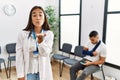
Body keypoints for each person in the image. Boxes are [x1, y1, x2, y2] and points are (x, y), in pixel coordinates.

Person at [16, 6, 54, 80]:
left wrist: (41, 42)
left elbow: (46, 53)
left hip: (43, 71)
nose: (37, 18)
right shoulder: (23, 34)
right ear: (31, 18)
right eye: (34, 15)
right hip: (29, 71)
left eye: (40, 15)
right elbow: (19, 55)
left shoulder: (49, 34)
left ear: (44, 18)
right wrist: (20, 74)